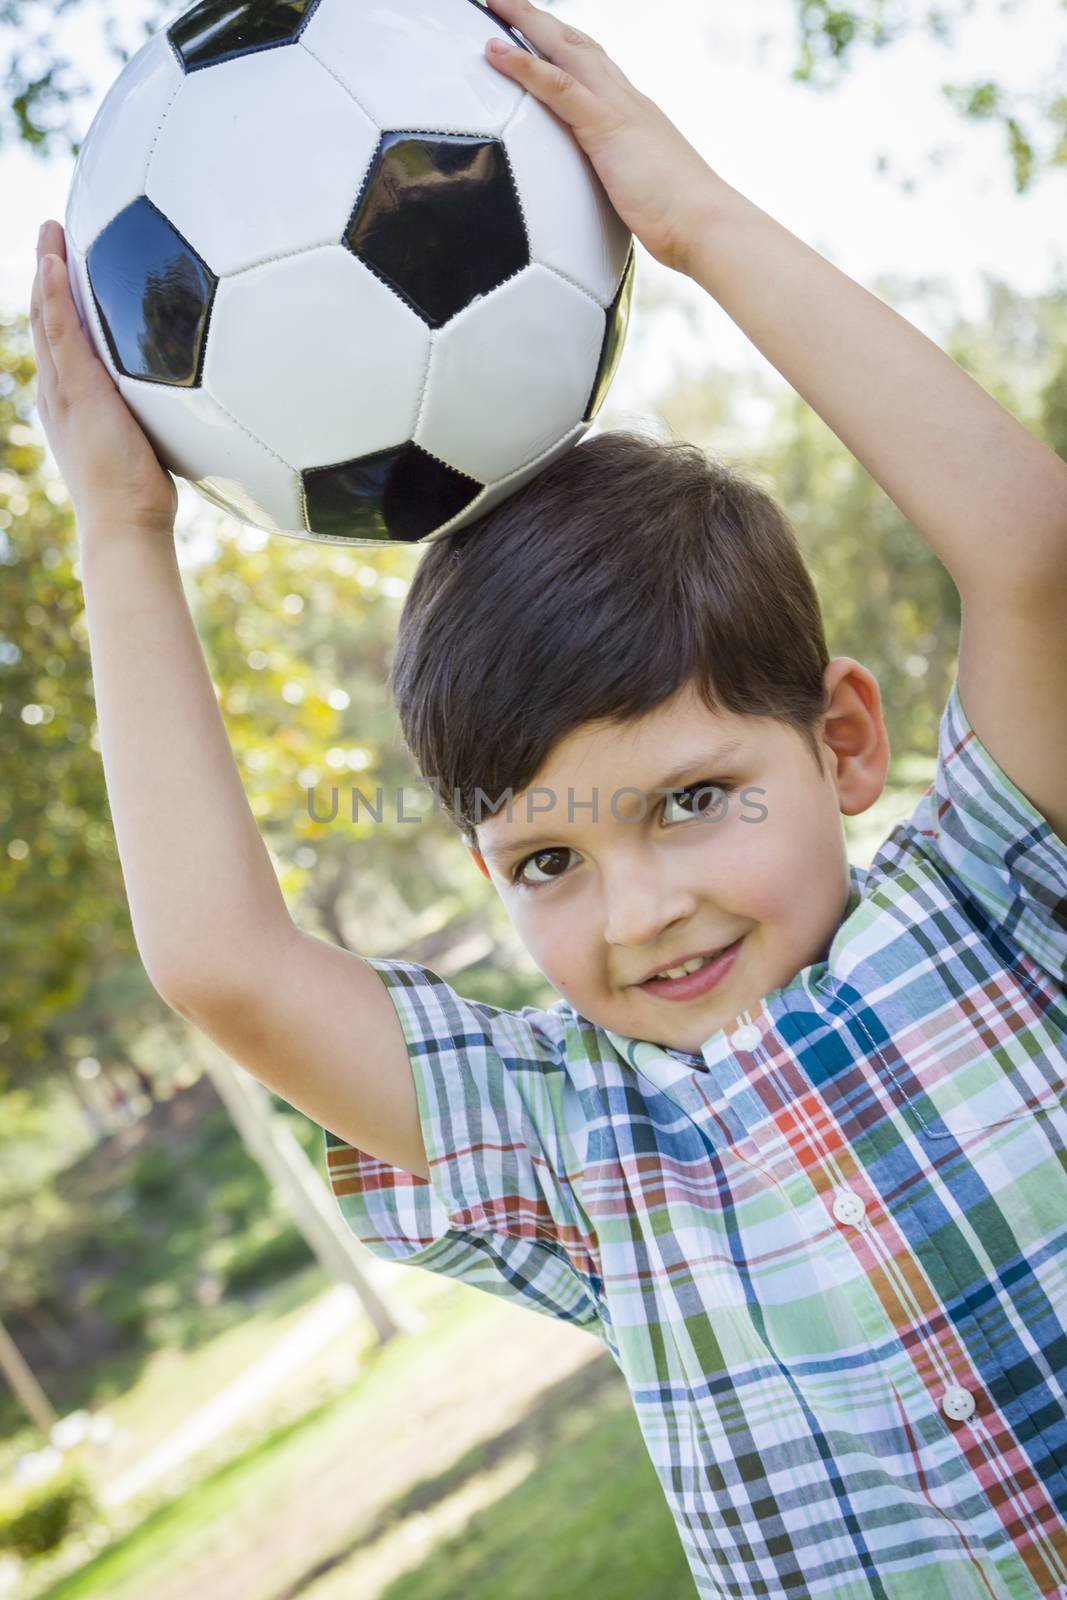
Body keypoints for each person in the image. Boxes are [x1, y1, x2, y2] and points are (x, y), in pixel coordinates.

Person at [29, 0, 1067, 1592]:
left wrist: (699, 221)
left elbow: (1034, 558)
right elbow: (225, 968)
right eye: (543, 863)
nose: (640, 911)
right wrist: (121, 530)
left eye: (696, 798)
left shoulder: (995, 905)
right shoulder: (579, 1150)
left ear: (845, 741)